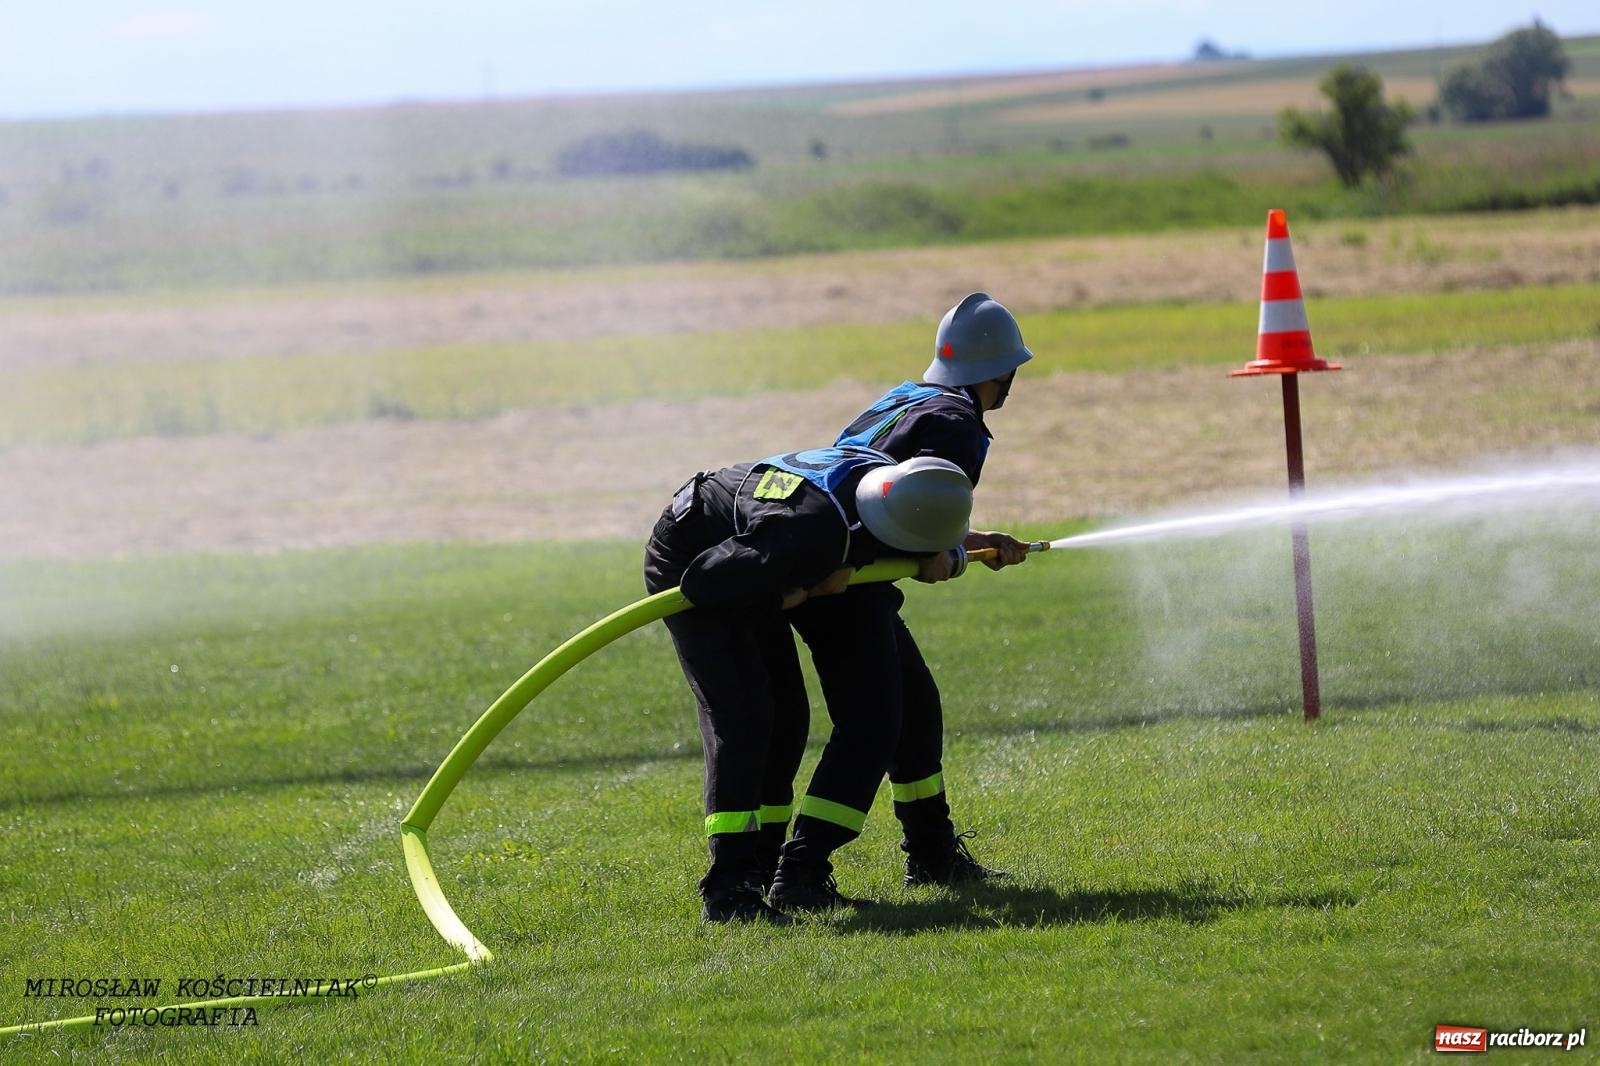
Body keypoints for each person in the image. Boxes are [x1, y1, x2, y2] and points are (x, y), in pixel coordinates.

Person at [644, 445, 974, 924]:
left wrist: (949, 546)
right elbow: (705, 586)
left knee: (787, 721)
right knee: (747, 720)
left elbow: (880, 531)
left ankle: (774, 875)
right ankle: (728, 891)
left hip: (758, 553)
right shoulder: (810, 534)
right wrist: (799, 592)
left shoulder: (880, 486)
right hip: (696, 561)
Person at [777, 292, 1033, 907]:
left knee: (915, 708)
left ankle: (933, 853)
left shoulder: (905, 400)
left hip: (837, 563)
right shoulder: (956, 425)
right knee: (874, 724)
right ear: (1000, 373)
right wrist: (946, 556)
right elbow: (920, 545)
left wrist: (971, 539)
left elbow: (894, 503)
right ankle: (801, 871)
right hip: (843, 584)